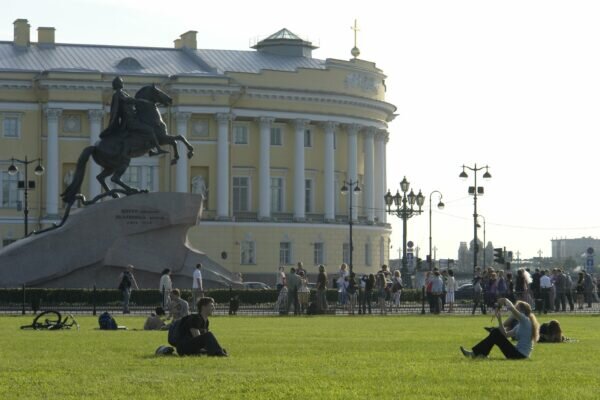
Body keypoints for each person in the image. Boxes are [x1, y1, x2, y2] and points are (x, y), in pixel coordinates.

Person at [101, 76, 166, 156]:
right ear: (118, 84)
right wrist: (140, 101)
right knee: (149, 129)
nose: (122, 83)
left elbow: (129, 104)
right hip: (129, 121)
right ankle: (157, 149)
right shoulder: (118, 94)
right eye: (121, 82)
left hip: (134, 118)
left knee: (145, 127)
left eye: (121, 82)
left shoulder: (123, 93)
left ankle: (150, 149)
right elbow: (127, 100)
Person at [460, 298, 539, 359]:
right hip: (517, 353)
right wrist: (499, 320)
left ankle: (476, 354)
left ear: (522, 311)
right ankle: (479, 354)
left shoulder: (525, 320)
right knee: (496, 332)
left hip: (520, 355)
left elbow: (511, 308)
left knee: (495, 332)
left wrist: (505, 300)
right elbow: (505, 334)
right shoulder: (520, 325)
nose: (514, 311)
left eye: (517, 309)